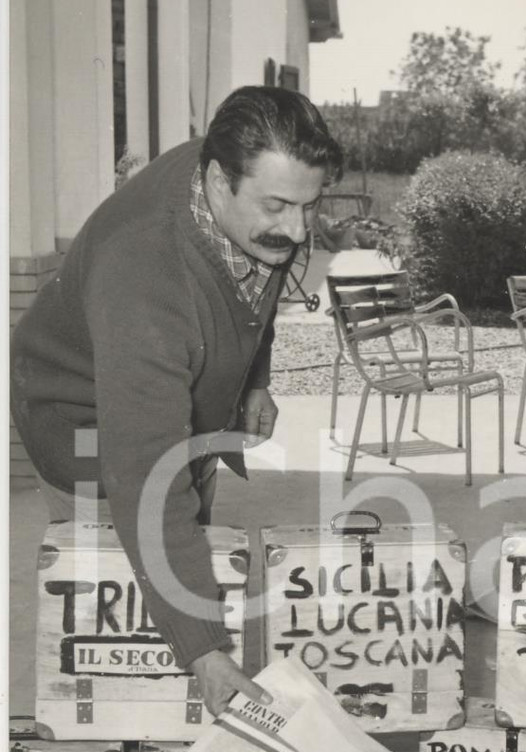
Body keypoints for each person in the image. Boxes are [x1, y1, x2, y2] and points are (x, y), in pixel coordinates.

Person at [11, 86, 340, 714]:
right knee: (121, 622)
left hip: (166, 409)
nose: (297, 230)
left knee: (183, 552)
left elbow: (258, 282)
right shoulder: (143, 278)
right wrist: (204, 649)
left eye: (309, 205)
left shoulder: (240, 178)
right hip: (83, 421)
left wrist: (255, 377)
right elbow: (146, 478)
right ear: (217, 181)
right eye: (277, 207)